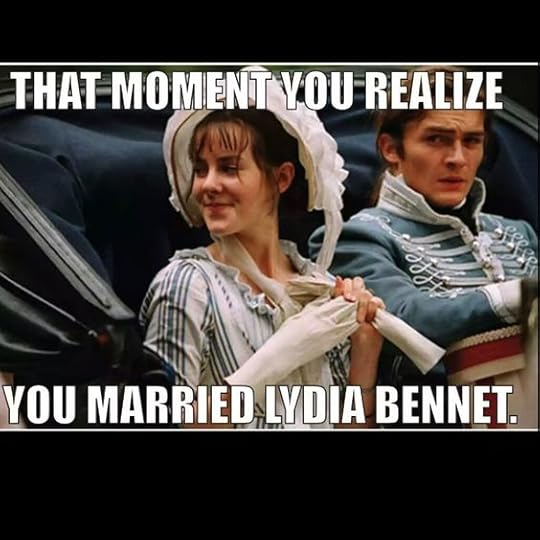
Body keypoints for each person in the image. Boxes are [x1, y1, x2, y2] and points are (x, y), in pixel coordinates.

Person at [139, 66, 385, 429]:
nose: (208, 185)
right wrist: (282, 354)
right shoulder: (188, 285)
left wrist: (365, 351)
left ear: (281, 178)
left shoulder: (318, 289)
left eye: (228, 168)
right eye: (201, 169)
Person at [309, 66, 538, 426]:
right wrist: (521, 295)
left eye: (472, 141)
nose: (457, 158)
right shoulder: (355, 238)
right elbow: (408, 316)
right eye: (436, 139)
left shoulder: (519, 233)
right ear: (391, 149)